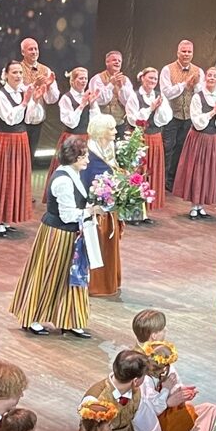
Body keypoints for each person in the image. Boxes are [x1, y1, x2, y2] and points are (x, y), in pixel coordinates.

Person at [10, 137, 95, 338]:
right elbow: (67, 215)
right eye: (84, 156)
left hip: (70, 234)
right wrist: (92, 211)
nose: (87, 160)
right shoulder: (63, 180)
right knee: (48, 274)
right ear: (74, 157)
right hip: (58, 235)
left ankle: (70, 319)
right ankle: (32, 317)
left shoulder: (74, 174)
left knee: (72, 277)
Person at [0, 62, 43, 237]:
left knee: (15, 178)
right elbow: (9, 119)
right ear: (6, 74)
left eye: (20, 72)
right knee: (2, 178)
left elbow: (31, 118)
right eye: (14, 72)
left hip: (20, 139)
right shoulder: (0, 95)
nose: (18, 76)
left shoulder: (23, 92)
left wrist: (34, 101)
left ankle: (7, 217)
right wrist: (25, 102)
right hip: (5, 139)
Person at [172, 67, 216, 219]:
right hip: (199, 138)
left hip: (213, 139)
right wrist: (213, 112)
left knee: (208, 170)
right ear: (205, 78)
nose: (211, 78)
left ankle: (201, 205)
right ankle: (194, 205)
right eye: (209, 75)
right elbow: (197, 121)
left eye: (214, 76)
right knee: (197, 170)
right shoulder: (198, 97)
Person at [83, 114, 124, 298]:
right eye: (111, 128)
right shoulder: (89, 154)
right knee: (97, 247)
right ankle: (96, 284)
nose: (115, 131)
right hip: (94, 211)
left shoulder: (111, 148)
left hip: (109, 208)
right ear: (101, 132)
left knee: (108, 247)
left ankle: (110, 281)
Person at [125, 67, 172, 212]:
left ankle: (146, 210)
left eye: (155, 79)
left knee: (152, 171)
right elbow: (134, 120)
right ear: (142, 78)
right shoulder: (134, 97)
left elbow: (165, 119)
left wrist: (159, 109)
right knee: (139, 171)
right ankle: (135, 209)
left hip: (155, 138)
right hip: (139, 138)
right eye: (150, 77)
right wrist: (150, 108)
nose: (153, 81)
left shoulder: (159, 96)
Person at [17, 37, 61, 188]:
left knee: (30, 156)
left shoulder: (45, 70)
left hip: (36, 120)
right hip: (19, 119)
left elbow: (52, 99)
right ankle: (16, 190)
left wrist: (48, 85)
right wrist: (34, 84)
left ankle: (25, 190)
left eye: (36, 48)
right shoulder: (17, 69)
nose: (34, 51)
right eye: (30, 49)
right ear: (23, 52)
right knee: (19, 157)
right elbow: (16, 91)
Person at [159, 41, 202, 190]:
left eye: (189, 52)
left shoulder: (198, 71)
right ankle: (162, 179)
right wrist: (184, 84)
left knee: (182, 148)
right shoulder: (167, 69)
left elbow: (200, 94)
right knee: (167, 147)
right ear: (178, 52)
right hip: (171, 115)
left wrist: (195, 85)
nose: (186, 54)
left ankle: (173, 180)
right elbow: (166, 93)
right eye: (183, 51)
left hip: (189, 117)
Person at [56, 68, 98, 159]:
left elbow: (96, 120)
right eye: (81, 78)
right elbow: (71, 123)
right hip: (72, 139)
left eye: (86, 78)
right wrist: (82, 105)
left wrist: (92, 104)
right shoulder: (66, 98)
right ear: (73, 81)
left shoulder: (89, 96)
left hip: (87, 138)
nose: (84, 81)